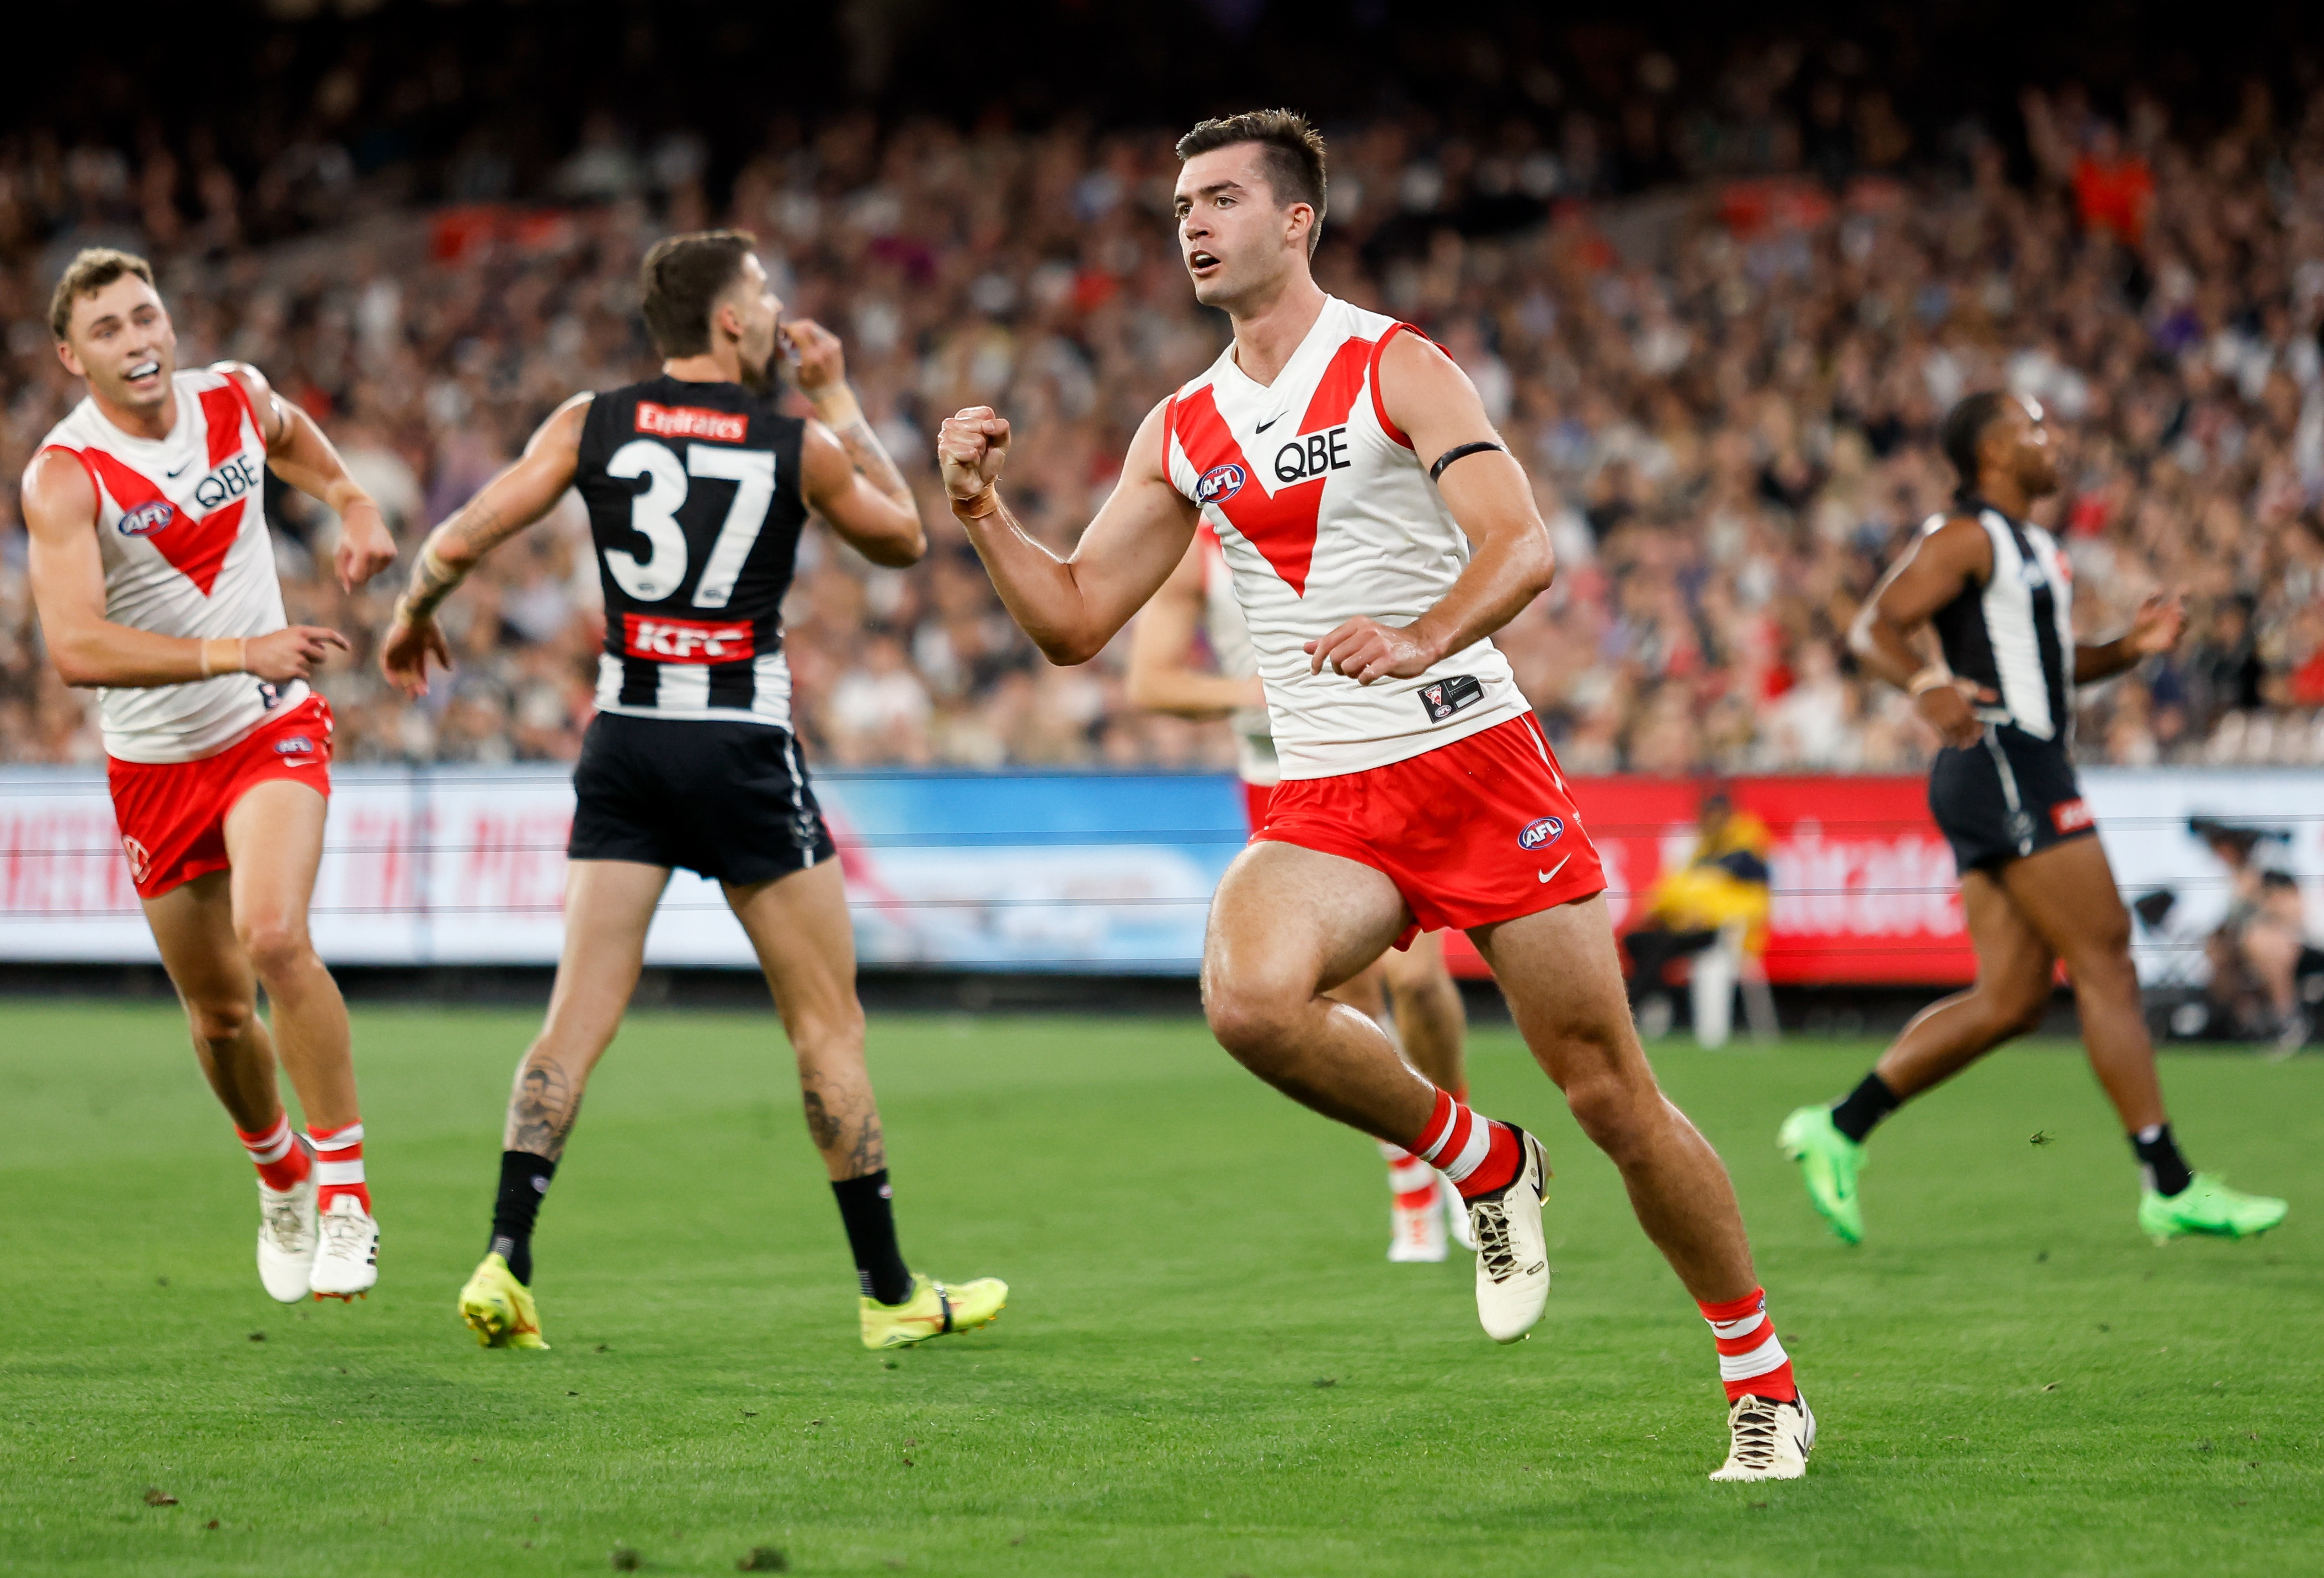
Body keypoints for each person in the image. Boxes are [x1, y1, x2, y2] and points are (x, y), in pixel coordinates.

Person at [939, 110, 1814, 1480]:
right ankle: (1478, 1161)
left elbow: (1518, 546)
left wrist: (1419, 637)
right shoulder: (1179, 427)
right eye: (1179, 204)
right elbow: (1070, 620)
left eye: (1220, 198)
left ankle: (1757, 1375)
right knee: (1245, 996)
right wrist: (986, 512)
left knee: (1609, 1093)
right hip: (1329, 794)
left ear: (1297, 221)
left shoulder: (1393, 363)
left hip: (1472, 762)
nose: (1190, 222)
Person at [381, 230, 1006, 1352]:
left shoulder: (590, 421)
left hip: (625, 738)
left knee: (573, 1018)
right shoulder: (795, 441)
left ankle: (505, 1254)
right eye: (763, 294)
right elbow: (907, 538)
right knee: (828, 1023)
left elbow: (467, 532)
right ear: (729, 321)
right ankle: (889, 1289)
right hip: (738, 741)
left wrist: (413, 613)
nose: (773, 311)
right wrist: (841, 393)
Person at [1779, 391, 2288, 1248]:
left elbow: (2048, 664)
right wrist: (1923, 684)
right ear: (1988, 454)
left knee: (2012, 999)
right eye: (2032, 430)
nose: (2053, 442)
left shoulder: (2036, 547)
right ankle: (2167, 1181)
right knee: (2105, 956)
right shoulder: (1965, 535)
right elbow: (1875, 627)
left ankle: (1838, 1126)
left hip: (2009, 762)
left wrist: (2127, 649)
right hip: (2006, 760)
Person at [20, 248, 397, 1303]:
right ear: (71, 356)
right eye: (109, 330)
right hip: (154, 764)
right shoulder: (66, 477)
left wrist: (355, 503)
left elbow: (297, 444)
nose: (138, 340)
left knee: (275, 933)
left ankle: (346, 1201)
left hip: (268, 724)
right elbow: (76, 649)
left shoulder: (233, 395)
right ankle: (277, 1175)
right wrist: (238, 649)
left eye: (147, 317)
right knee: (222, 1015)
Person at [1129, 524, 1474, 1261]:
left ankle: (1463, 1148)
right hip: (1279, 780)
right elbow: (1149, 681)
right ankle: (1409, 1180)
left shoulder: (1344, 500)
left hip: (1382, 759)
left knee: (1415, 981)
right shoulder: (1196, 546)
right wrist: (1247, 692)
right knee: (1347, 1004)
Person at [1621, 791, 1773, 1036]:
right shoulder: (1703, 851)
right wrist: (1657, 910)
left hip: (1722, 932)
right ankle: (1654, 1003)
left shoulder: (1747, 854)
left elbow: (1756, 902)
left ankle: (1633, 1012)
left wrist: (1709, 915)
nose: (1705, 821)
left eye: (1711, 815)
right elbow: (1677, 888)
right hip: (1688, 927)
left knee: (1658, 947)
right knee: (1637, 941)